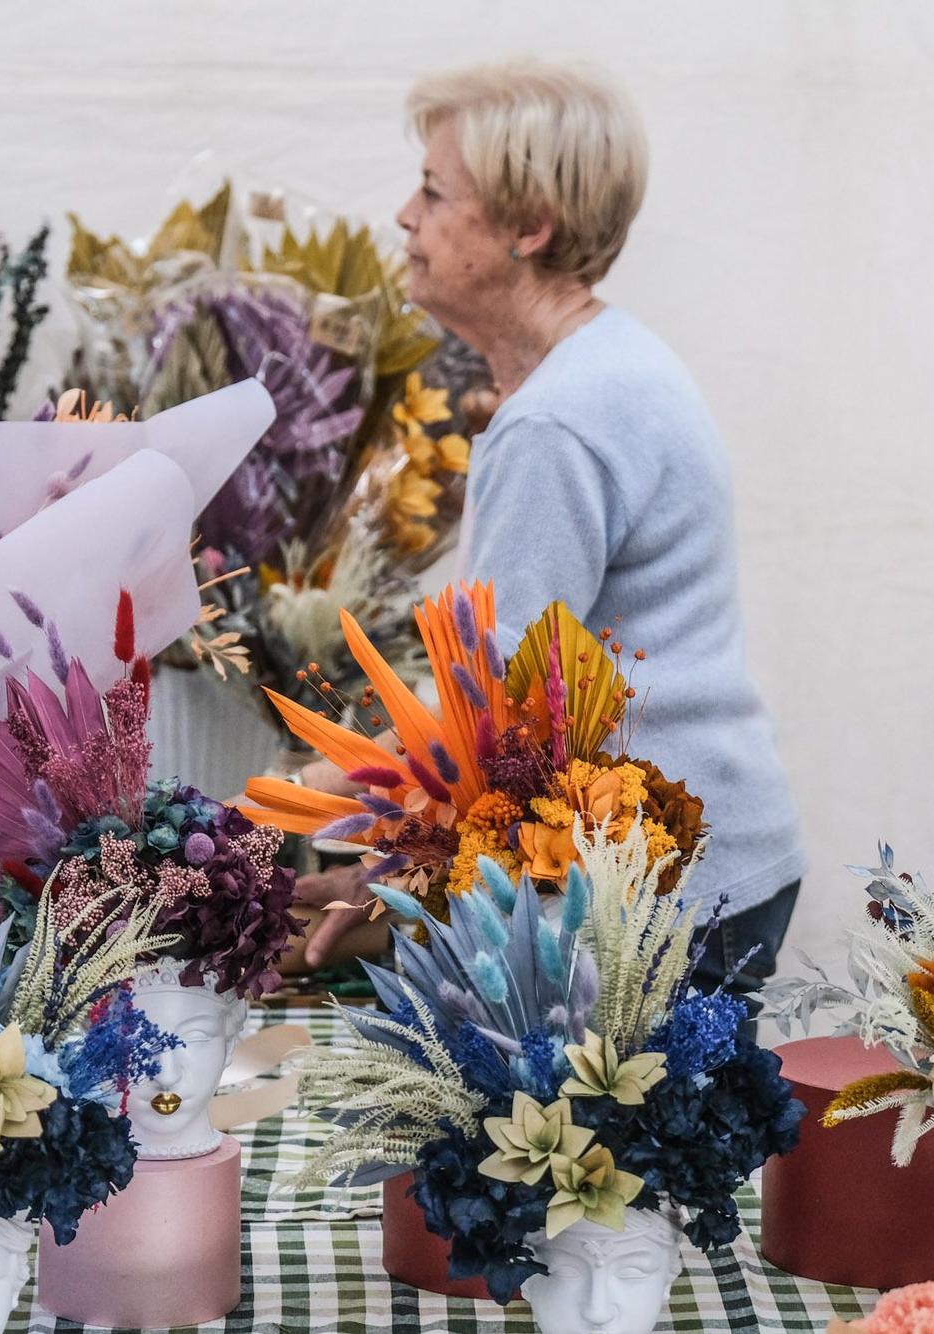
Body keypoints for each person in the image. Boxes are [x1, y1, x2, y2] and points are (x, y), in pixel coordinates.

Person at [298, 59, 805, 1009]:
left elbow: (490, 710)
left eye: (435, 191)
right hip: (700, 854)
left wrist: (278, 808)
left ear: (528, 226)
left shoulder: (554, 423)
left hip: (662, 885)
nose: (407, 216)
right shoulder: (608, 364)